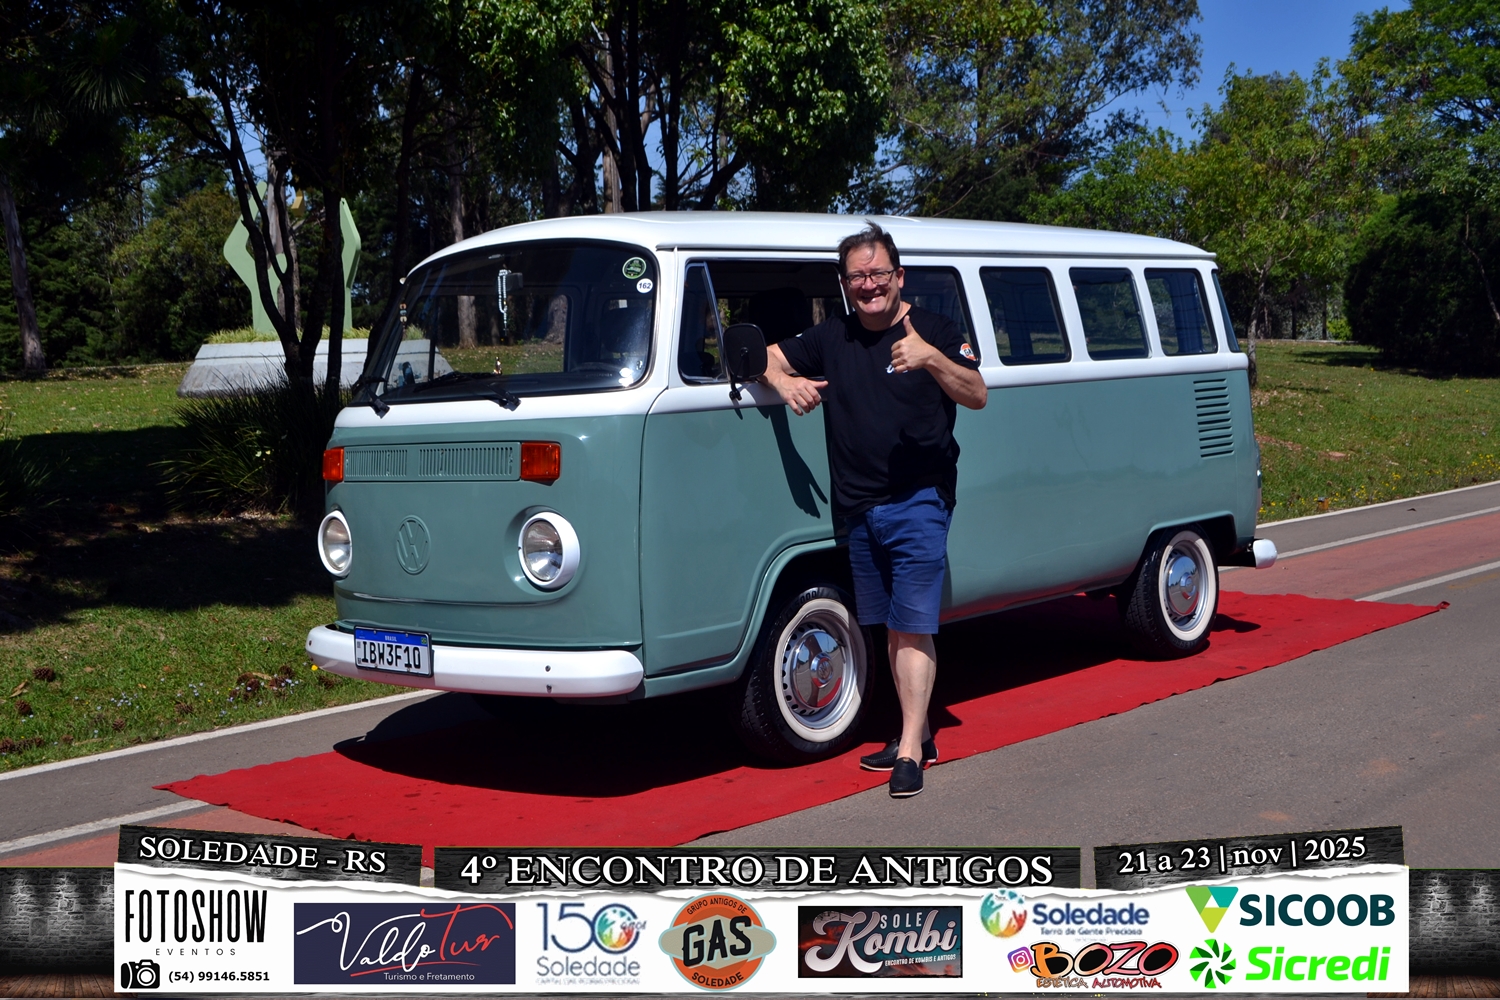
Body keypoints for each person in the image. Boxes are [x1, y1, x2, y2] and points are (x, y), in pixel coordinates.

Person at [761, 222, 987, 797]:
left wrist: (931, 358)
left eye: (878, 273)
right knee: (888, 625)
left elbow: (977, 393)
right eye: (857, 277)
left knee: (912, 628)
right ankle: (920, 733)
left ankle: (909, 749)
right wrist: (783, 383)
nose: (869, 285)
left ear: (899, 275)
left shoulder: (934, 329)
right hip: (858, 507)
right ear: (845, 284)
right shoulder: (832, 335)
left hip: (919, 499)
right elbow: (762, 355)